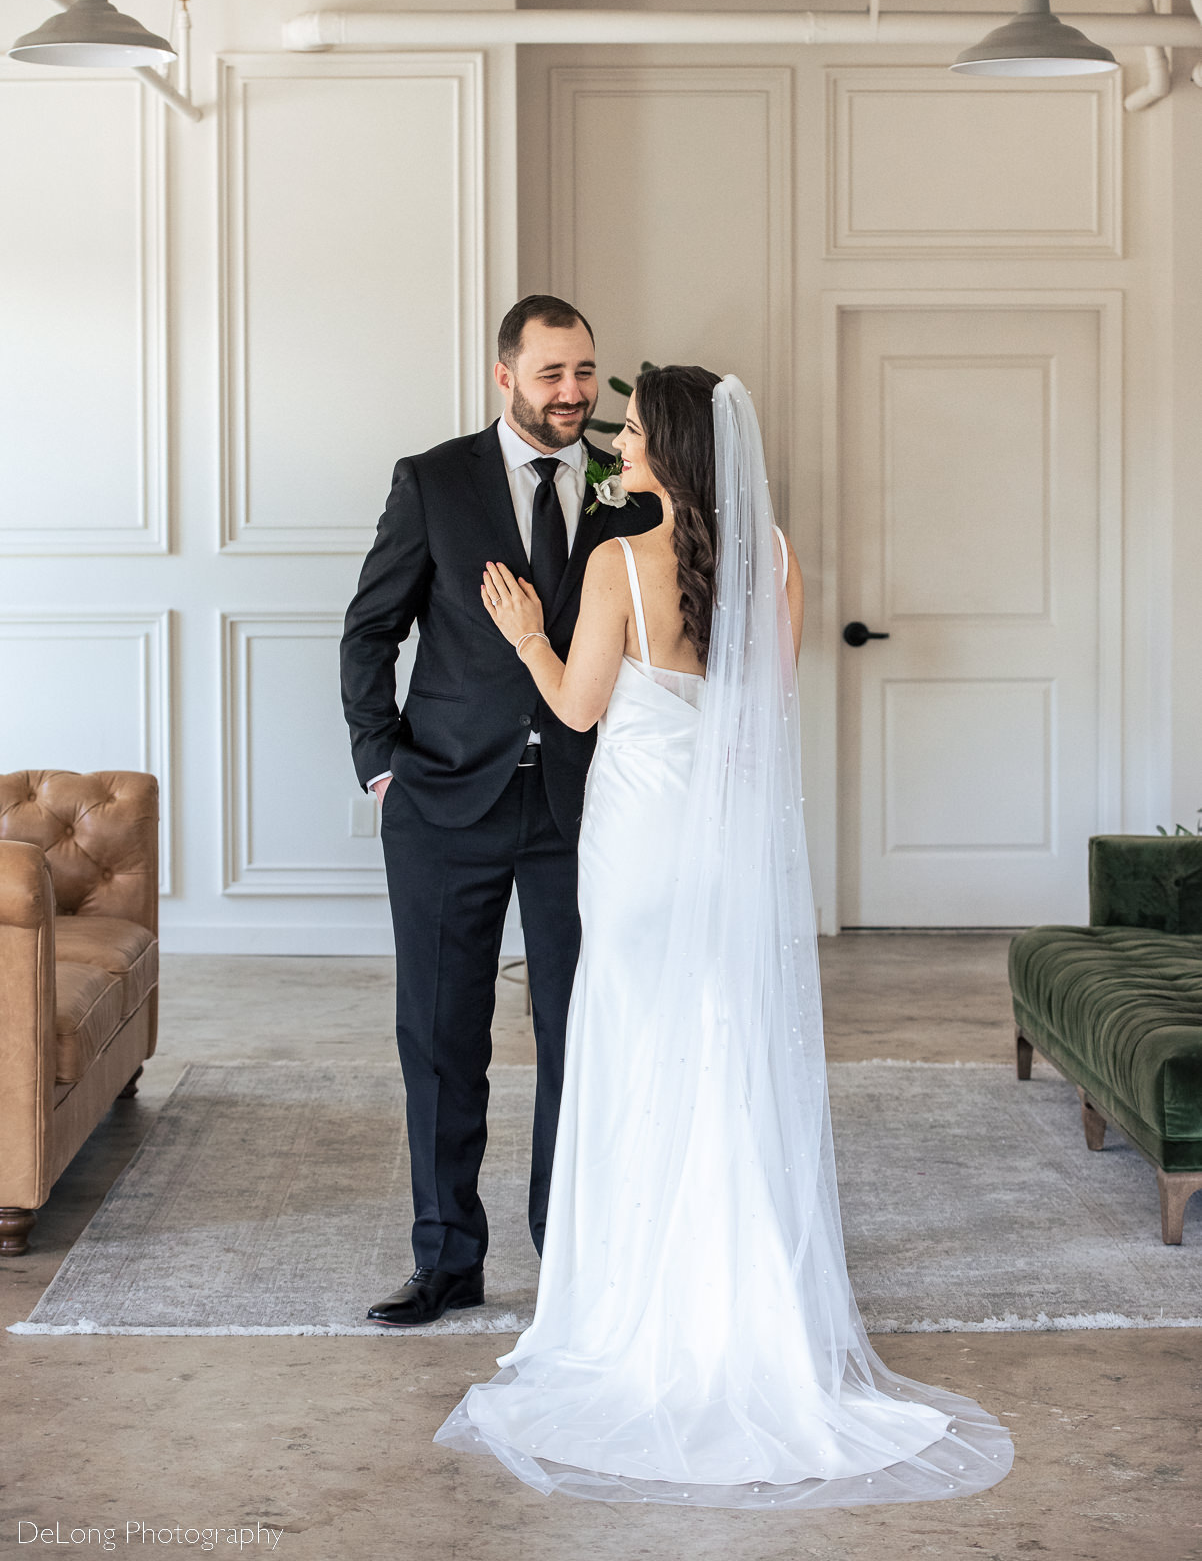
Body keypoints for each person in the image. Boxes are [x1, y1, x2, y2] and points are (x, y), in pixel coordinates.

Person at [434, 366, 1014, 1507]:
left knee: (630, 1048)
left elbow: (575, 709)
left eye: (636, 431)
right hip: (724, 842)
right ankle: (743, 1303)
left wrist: (521, 633)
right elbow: (761, 711)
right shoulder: (777, 559)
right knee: (722, 1051)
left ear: (680, 450)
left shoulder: (613, 564)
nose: (617, 445)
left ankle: (629, 1308)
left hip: (639, 845)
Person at [340, 295, 660, 1328]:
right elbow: (368, 631)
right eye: (551, 374)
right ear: (504, 376)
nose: (573, 395)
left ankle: (565, 1252)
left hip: (584, 802)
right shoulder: (432, 480)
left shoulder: (626, 481)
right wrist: (381, 765)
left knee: (579, 1030)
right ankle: (446, 1259)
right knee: (439, 1035)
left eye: (584, 372)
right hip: (442, 799)